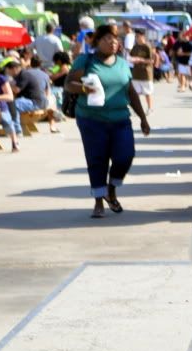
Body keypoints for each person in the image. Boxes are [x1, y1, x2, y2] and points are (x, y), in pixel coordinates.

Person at [64, 24, 151, 219]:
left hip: (120, 119)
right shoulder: (85, 61)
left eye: (114, 39)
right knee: (97, 159)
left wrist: (143, 118)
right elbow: (69, 83)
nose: (112, 42)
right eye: (107, 39)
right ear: (96, 42)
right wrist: (84, 89)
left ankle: (111, 189)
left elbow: (130, 92)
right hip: (91, 120)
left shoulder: (121, 63)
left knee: (125, 156)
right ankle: (98, 201)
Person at [129, 28, 157, 114]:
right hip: (136, 73)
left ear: (143, 36)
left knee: (147, 93)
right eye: (136, 36)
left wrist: (141, 60)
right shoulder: (135, 46)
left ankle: (150, 108)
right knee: (136, 93)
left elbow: (152, 60)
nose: (137, 38)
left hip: (146, 73)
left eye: (138, 36)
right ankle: (137, 108)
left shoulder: (147, 46)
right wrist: (133, 59)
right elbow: (130, 57)